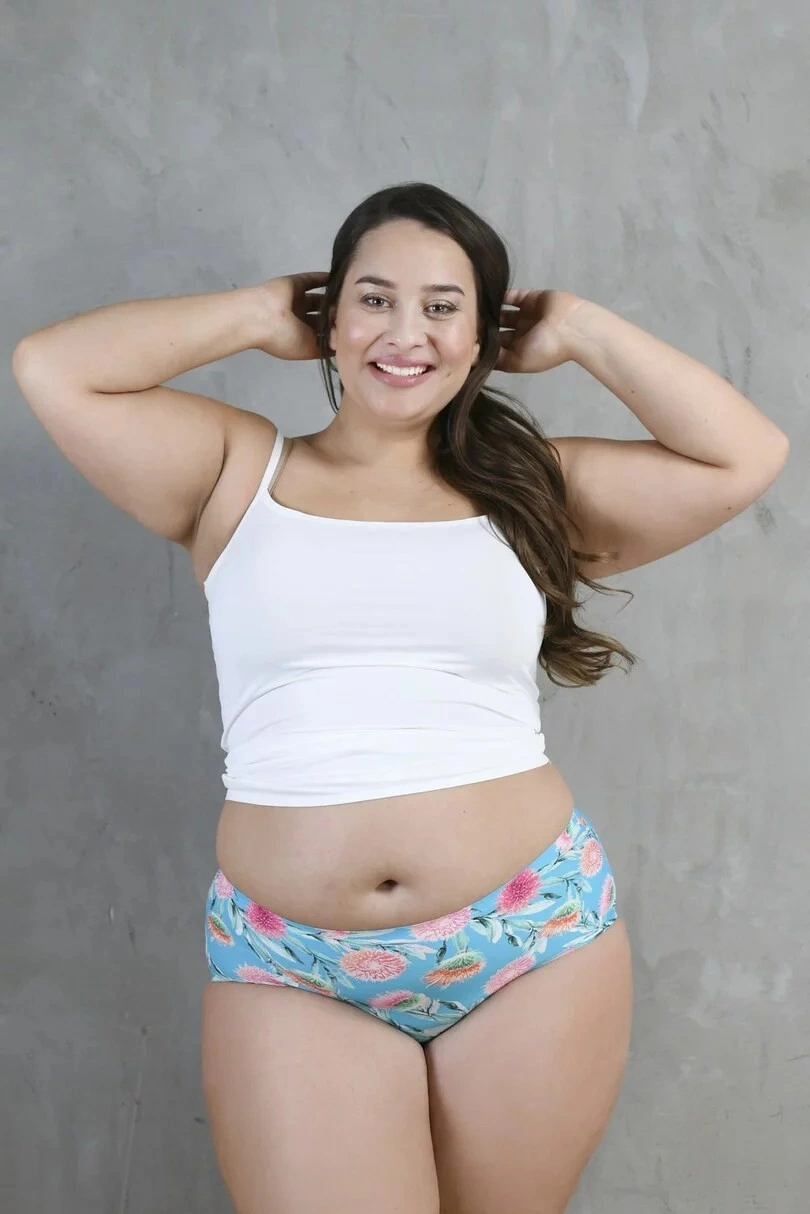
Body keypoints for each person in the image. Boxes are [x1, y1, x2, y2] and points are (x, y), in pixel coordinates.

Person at [12, 181, 789, 1214]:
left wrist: (581, 330)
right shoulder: (234, 471)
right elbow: (52, 367)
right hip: (293, 958)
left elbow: (747, 454)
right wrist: (256, 312)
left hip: (529, 939)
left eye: (442, 306)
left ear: (484, 336)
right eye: (374, 299)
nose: (405, 332)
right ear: (330, 317)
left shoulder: (536, 491)